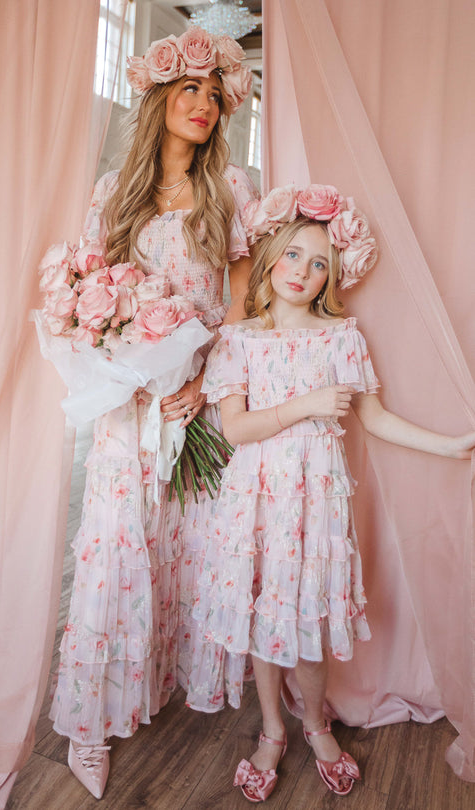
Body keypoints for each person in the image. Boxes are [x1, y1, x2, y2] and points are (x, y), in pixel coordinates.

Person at [186, 184, 475, 802]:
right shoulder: (240, 340)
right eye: (293, 255)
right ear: (269, 260)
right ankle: (270, 730)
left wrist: (449, 445)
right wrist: (308, 404)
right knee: (265, 617)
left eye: (319, 263)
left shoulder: (340, 336)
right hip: (256, 503)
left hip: (314, 508)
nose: (304, 271)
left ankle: (314, 724)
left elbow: (374, 418)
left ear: (330, 277)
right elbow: (236, 428)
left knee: (309, 621)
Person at [47, 27, 258, 799]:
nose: (203, 105)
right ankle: (87, 727)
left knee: (179, 558)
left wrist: (204, 388)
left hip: (192, 407)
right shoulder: (114, 195)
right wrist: (113, 360)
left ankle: (155, 682)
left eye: (214, 95)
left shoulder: (228, 193)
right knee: (111, 559)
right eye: (189, 91)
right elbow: (88, 300)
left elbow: (242, 308)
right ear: (160, 99)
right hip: (126, 413)